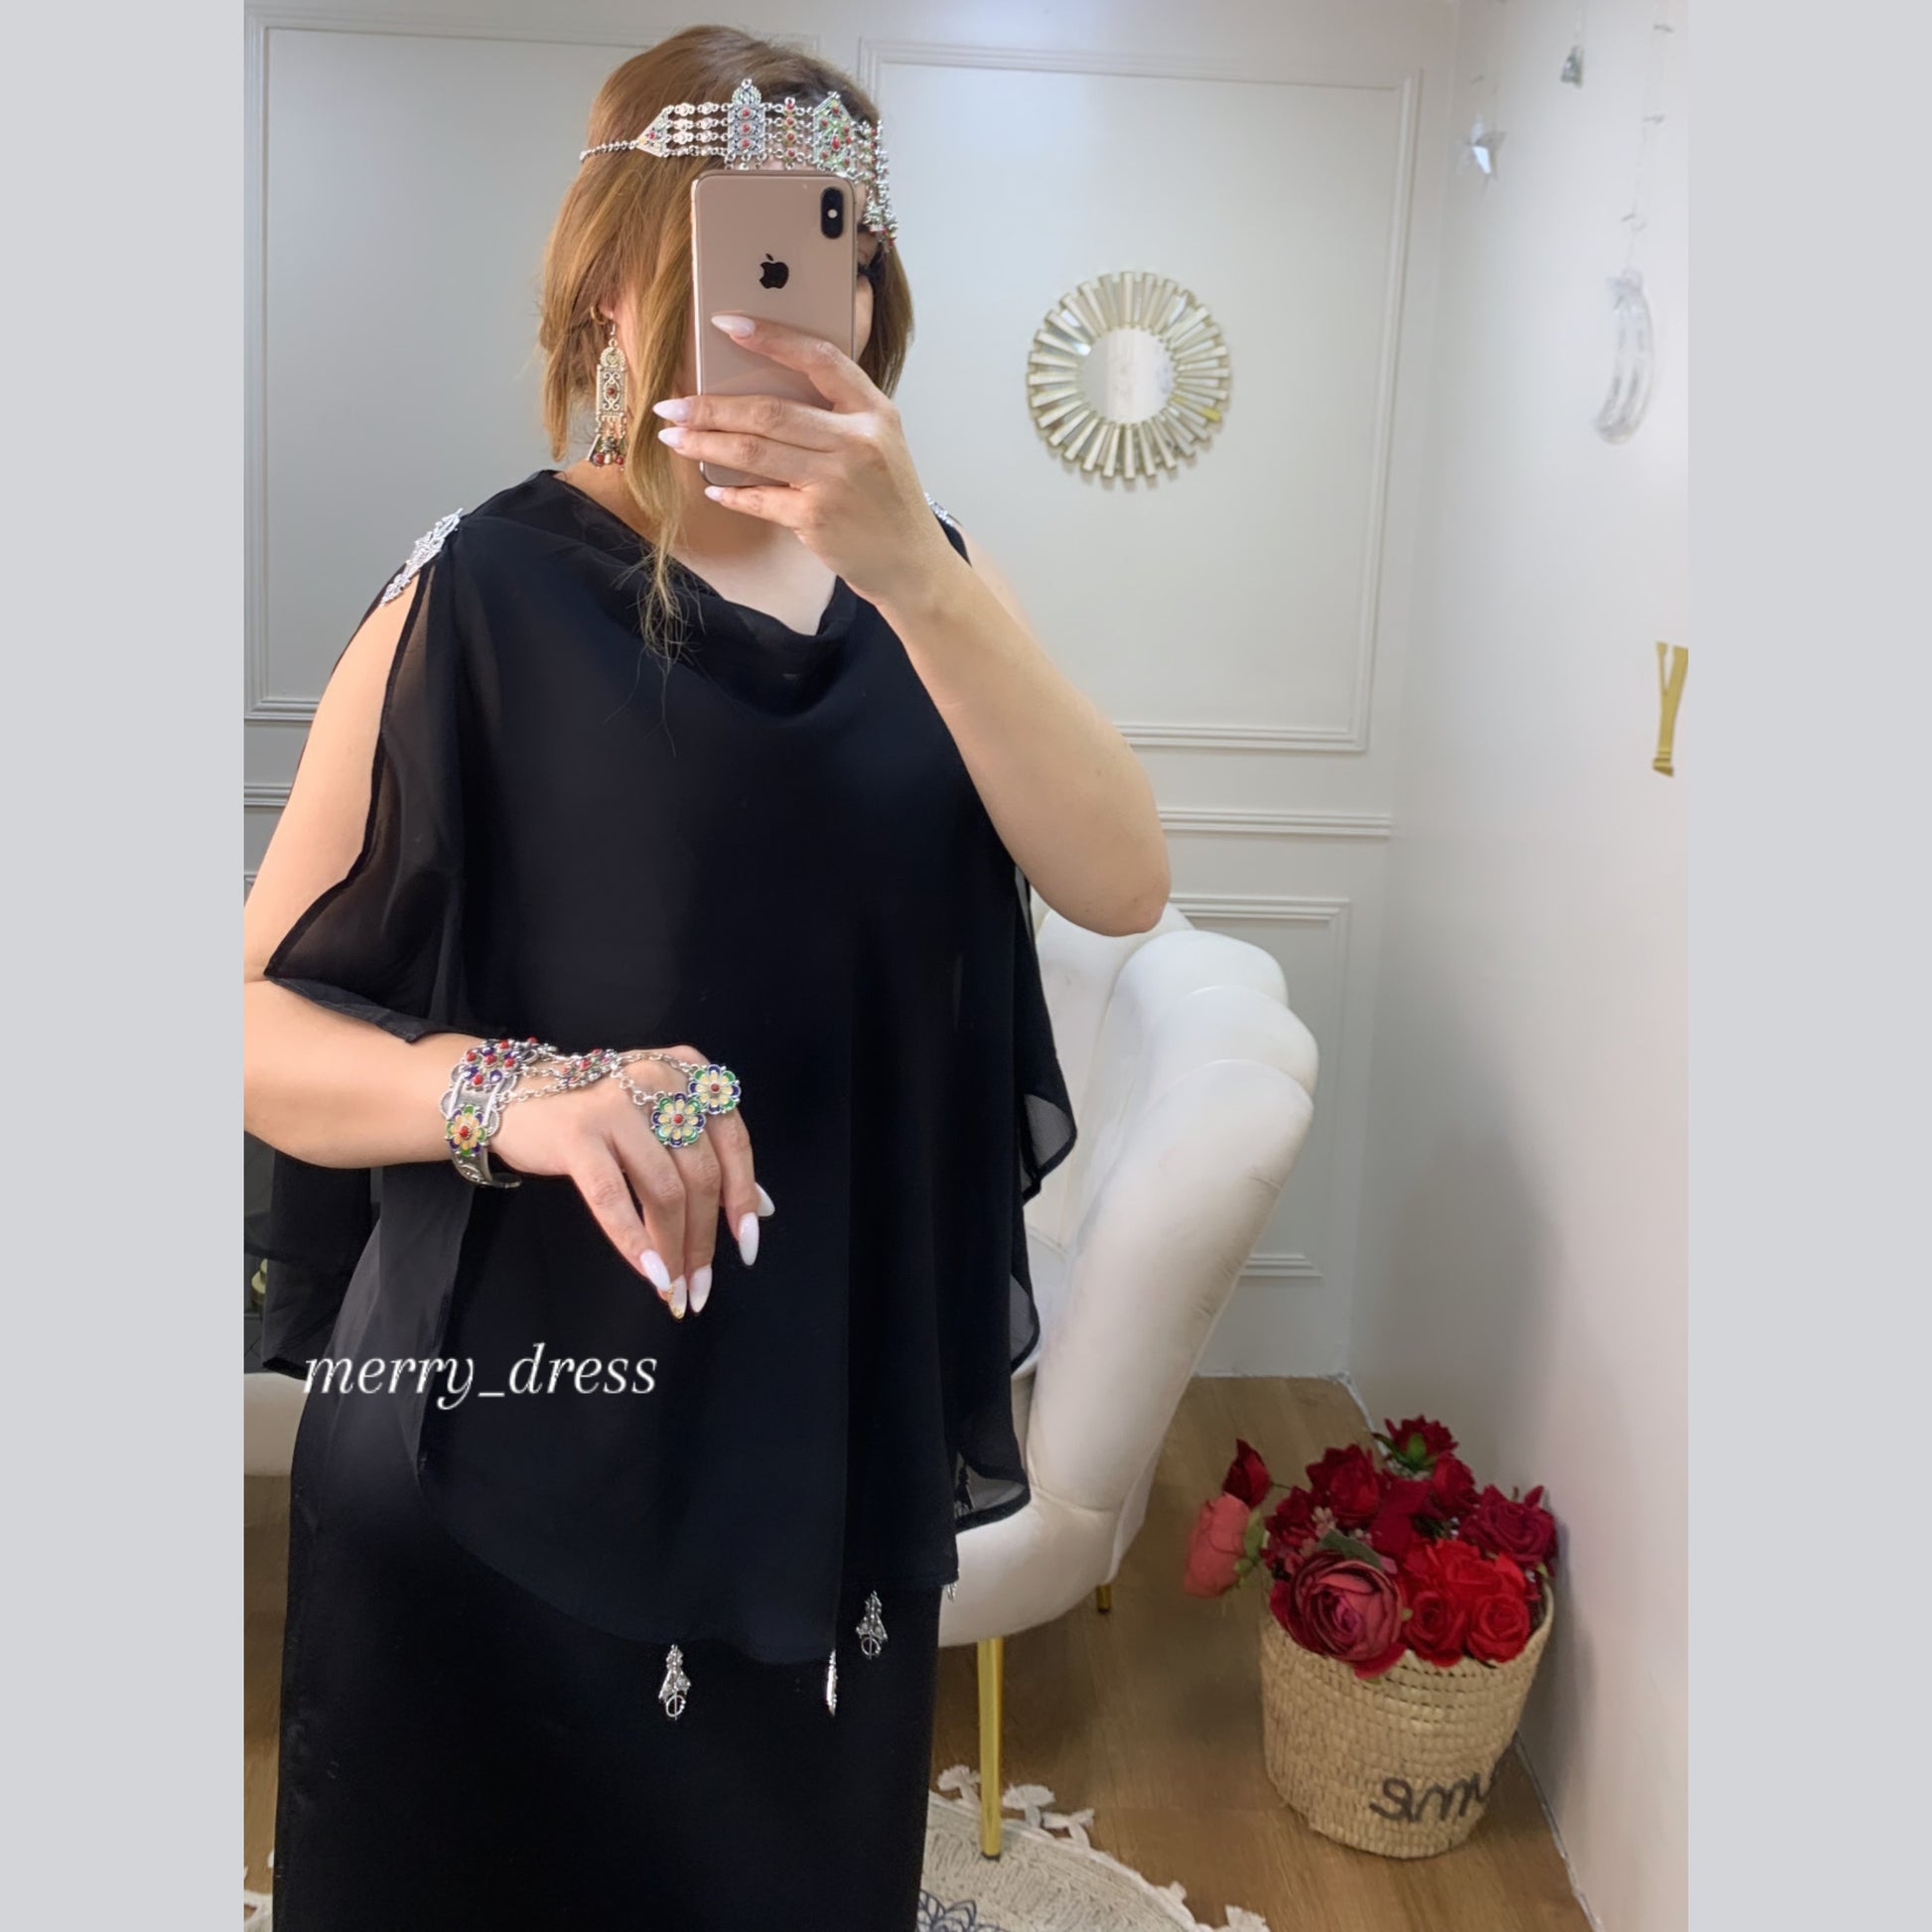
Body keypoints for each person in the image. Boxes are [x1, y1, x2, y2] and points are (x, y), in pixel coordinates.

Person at [241, 25, 1169, 1930]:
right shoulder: (475, 593)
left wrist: (918, 575)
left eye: (838, 251)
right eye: (736, 251)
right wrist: (518, 1092)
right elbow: (247, 1026)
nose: (796, 302)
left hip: (815, 1445)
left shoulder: (936, 593)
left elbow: (1121, 877)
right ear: (613, 282)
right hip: (497, 1427)